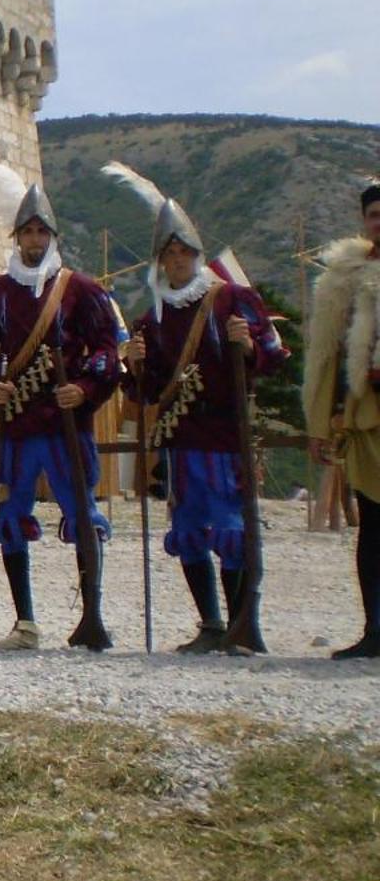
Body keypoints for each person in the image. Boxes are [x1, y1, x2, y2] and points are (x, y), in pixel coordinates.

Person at [0, 174, 121, 652]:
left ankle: (91, 616)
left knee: (81, 513)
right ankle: (24, 621)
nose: (34, 240)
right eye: (27, 232)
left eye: (41, 232)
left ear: (52, 236)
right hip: (16, 428)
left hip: (68, 424)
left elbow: (108, 350)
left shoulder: (83, 291)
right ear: (17, 237)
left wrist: (85, 386)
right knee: (12, 515)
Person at [119, 196, 286, 653]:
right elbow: (144, 392)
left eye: (184, 254)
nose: (177, 262)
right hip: (179, 438)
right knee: (189, 530)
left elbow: (274, 354)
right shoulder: (149, 318)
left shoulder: (231, 299)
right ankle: (211, 625)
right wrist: (134, 366)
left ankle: (241, 625)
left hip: (224, 434)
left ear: (196, 256)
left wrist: (247, 346)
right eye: (170, 256)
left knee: (231, 529)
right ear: (160, 261)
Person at [304, 181, 380, 659]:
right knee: (374, 527)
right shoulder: (346, 278)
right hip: (368, 413)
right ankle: (376, 631)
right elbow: (326, 354)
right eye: (374, 214)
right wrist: (318, 422)